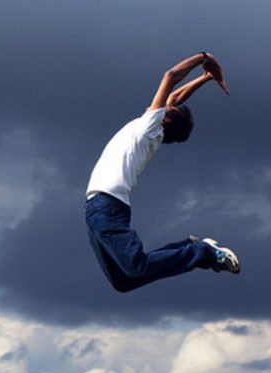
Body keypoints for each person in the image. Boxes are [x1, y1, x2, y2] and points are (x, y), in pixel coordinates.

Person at [85, 52, 238, 293]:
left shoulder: (148, 128)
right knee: (124, 282)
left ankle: (203, 253)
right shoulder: (151, 130)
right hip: (98, 208)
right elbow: (176, 96)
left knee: (135, 268)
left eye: (170, 108)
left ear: (166, 119)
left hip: (107, 206)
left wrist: (204, 58)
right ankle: (191, 246)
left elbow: (171, 76)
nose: (169, 103)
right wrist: (206, 78)